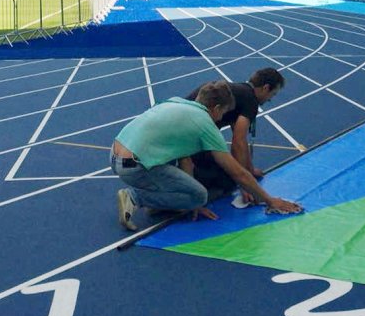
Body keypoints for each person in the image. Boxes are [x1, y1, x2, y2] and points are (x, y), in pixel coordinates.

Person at [112, 81, 302, 230]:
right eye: (223, 113)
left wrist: (188, 197)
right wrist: (270, 200)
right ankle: (136, 197)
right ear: (216, 108)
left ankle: (159, 201)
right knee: (201, 196)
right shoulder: (205, 123)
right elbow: (237, 173)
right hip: (135, 166)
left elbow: (186, 160)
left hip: (115, 156)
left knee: (192, 192)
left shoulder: (176, 101)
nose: (221, 119)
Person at [186, 68, 285, 203]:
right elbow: (238, 143)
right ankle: (188, 196)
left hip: (187, 131)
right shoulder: (250, 101)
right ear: (265, 88)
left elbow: (240, 140)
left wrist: (249, 169)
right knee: (228, 181)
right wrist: (244, 185)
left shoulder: (240, 91)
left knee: (230, 170)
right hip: (191, 138)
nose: (270, 99)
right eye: (272, 95)